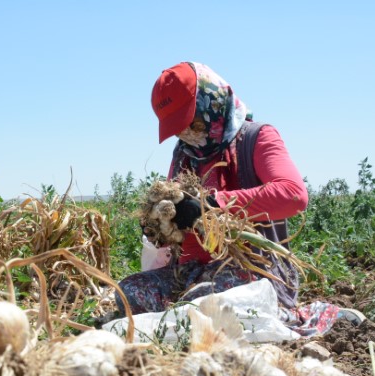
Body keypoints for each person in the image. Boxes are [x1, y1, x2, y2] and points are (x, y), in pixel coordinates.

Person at [117, 61, 308, 315]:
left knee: (204, 301)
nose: (185, 132)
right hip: (191, 273)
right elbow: (177, 213)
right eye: (178, 127)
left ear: (210, 101)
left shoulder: (257, 137)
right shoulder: (184, 154)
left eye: (190, 121)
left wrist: (211, 205)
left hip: (250, 271)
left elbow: (293, 195)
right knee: (129, 292)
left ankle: (185, 315)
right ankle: (184, 314)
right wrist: (159, 228)